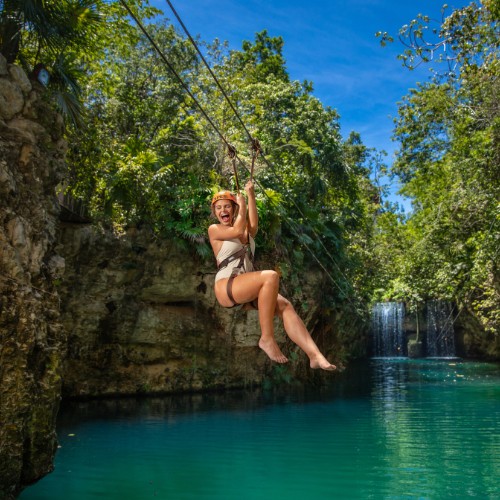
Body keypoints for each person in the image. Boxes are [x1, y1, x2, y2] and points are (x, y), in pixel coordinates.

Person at [208, 180, 337, 370]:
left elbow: (252, 227)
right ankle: (267, 338)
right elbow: (237, 229)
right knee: (270, 276)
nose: (222, 210)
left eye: (227, 206)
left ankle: (315, 355)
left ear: (233, 210)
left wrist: (250, 195)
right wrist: (241, 205)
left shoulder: (244, 233)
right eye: (218, 208)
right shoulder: (215, 230)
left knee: (285, 306)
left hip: (242, 293)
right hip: (226, 286)